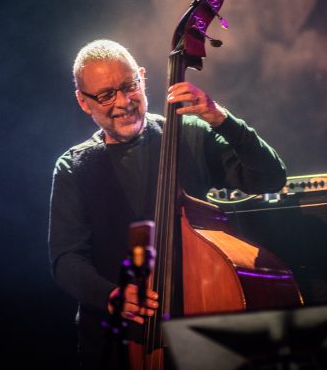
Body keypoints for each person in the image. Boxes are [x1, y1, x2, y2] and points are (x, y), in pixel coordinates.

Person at [48, 39, 286, 369]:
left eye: (130, 85)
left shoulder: (189, 134)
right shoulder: (75, 167)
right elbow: (66, 259)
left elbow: (270, 178)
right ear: (84, 102)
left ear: (143, 77)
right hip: (114, 345)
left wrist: (221, 120)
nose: (124, 102)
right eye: (106, 95)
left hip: (202, 332)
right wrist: (112, 296)